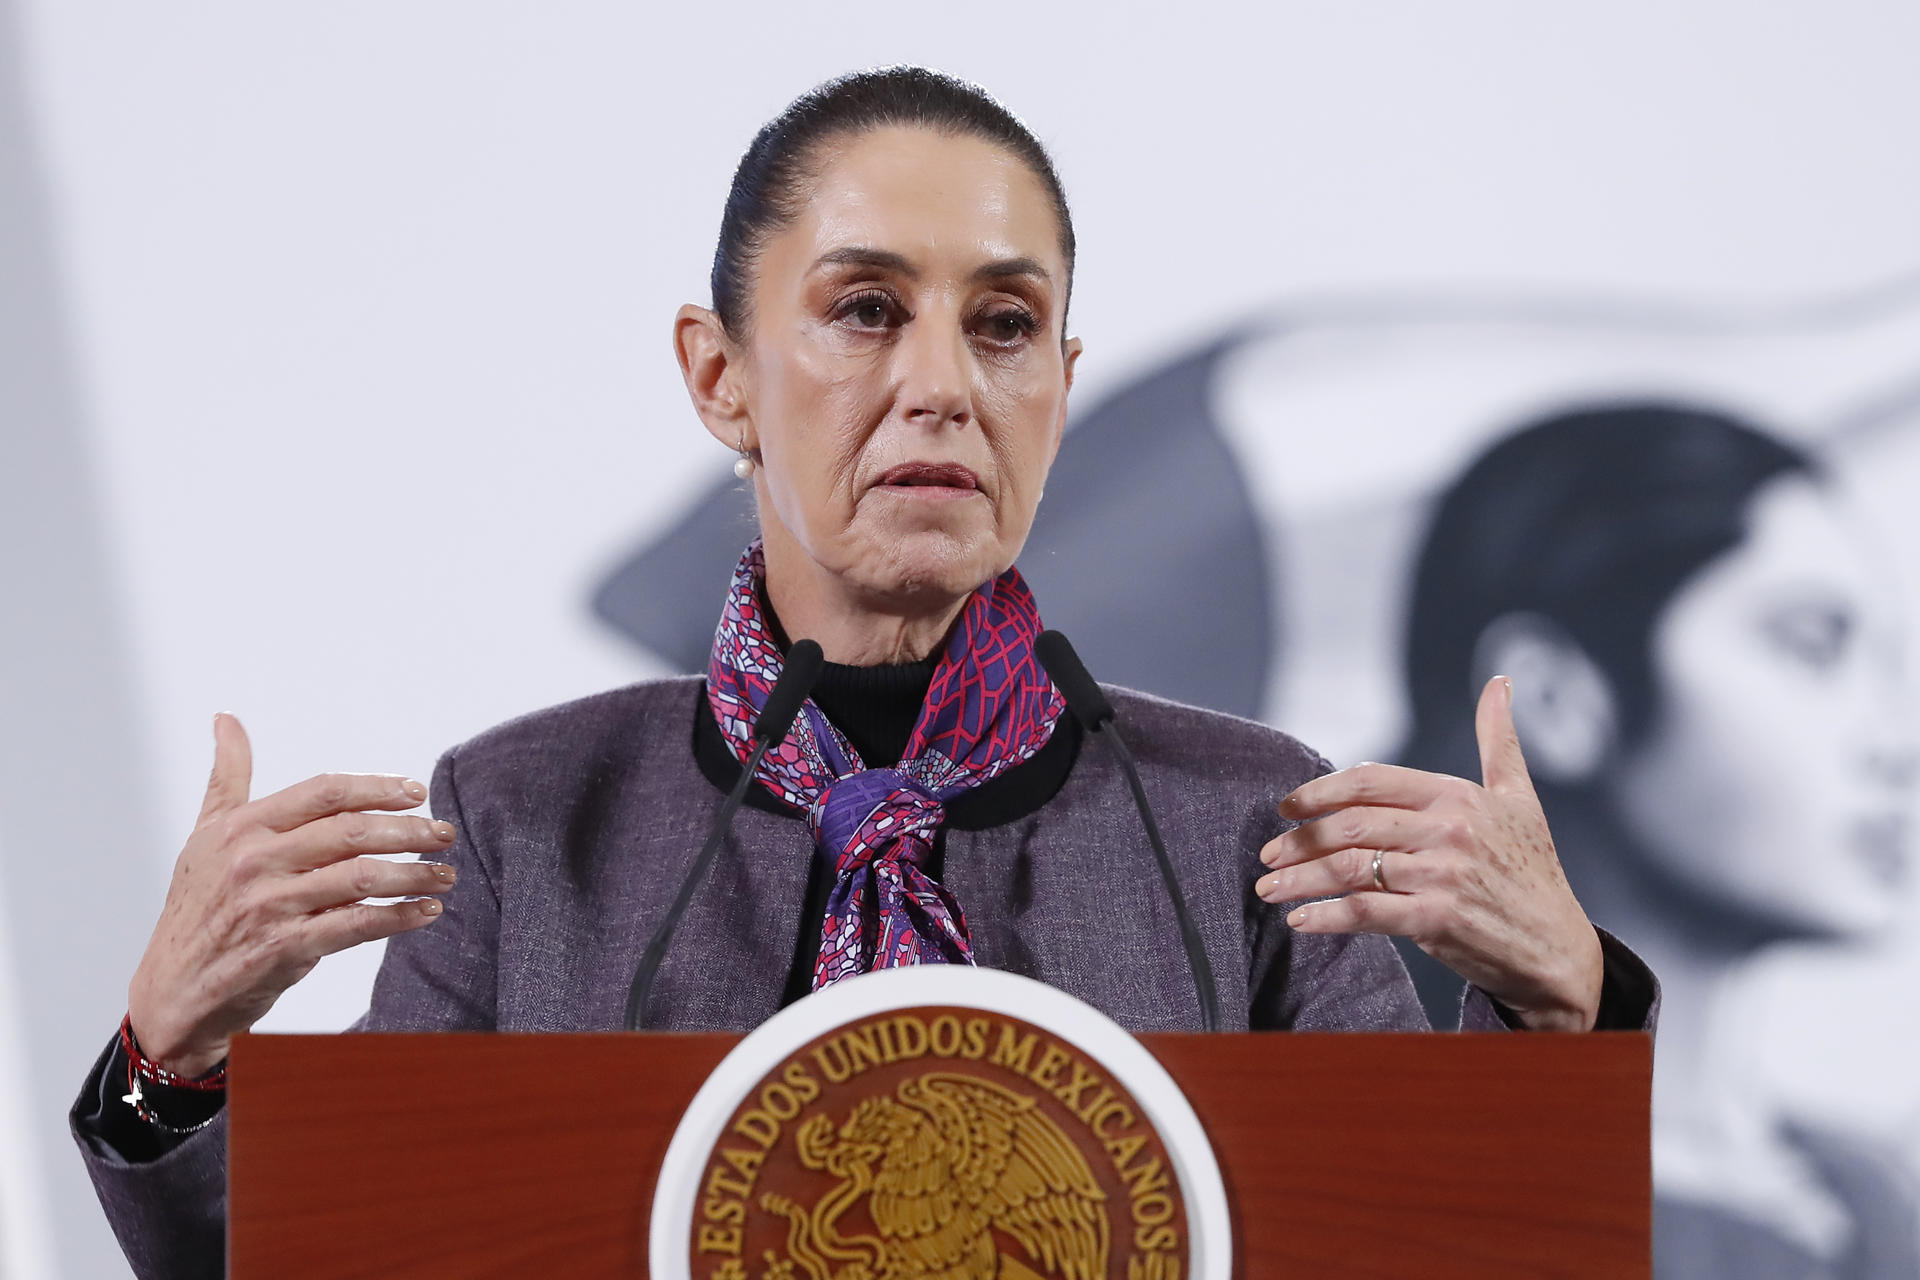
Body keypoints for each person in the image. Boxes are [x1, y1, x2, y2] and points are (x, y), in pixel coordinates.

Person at [70, 67, 1656, 1280]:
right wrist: (172, 1062)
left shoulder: (1240, 817)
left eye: (1007, 325)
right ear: (720, 376)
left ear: (1063, 387)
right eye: (867, 311)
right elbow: (340, 1261)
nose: (942, 386)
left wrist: (1562, 1013)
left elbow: (1442, 1246)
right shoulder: (529, 816)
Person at [1394, 403, 1917, 1278]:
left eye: (1890, 665)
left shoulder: (1867, 1192)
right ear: (1553, 698)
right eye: (1810, 645)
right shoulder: (1381, 1184)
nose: (1896, 742)